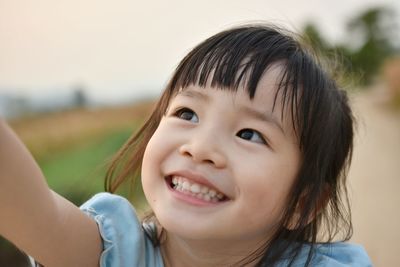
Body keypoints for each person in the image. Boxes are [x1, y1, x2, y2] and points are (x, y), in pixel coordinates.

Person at [0, 24, 372, 266]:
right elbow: (32, 208)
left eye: (249, 134)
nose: (199, 146)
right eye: (187, 113)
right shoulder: (115, 253)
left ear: (303, 203)